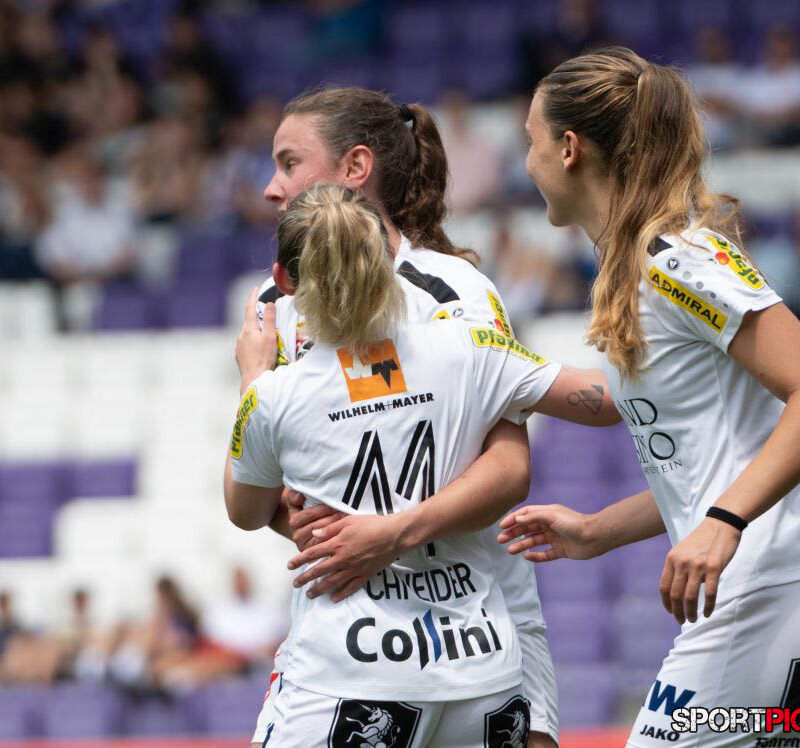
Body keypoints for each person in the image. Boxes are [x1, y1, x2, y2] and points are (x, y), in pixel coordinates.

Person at [242, 85, 620, 748]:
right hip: (350, 643)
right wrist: (299, 521)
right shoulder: (278, 301)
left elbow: (509, 468)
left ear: (355, 168)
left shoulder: (452, 294)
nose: (272, 187)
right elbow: (263, 486)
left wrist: (390, 533)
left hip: (480, 627)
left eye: (289, 162)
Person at [496, 47, 800, 747]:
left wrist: (723, 522)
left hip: (764, 589)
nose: (526, 162)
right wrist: (596, 531)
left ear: (569, 149)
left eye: (531, 141)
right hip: (759, 594)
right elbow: (711, 464)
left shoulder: (678, 262)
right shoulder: (635, 273)